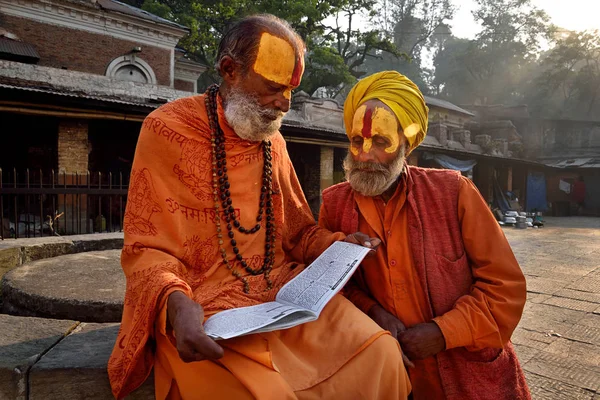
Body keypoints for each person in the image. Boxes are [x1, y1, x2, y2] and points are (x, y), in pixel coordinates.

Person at [108, 16, 411, 400]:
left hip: (282, 296)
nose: (284, 103)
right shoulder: (166, 130)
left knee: (380, 353)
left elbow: (298, 232)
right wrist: (175, 303)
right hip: (203, 309)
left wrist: (338, 247)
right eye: (273, 87)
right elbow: (145, 248)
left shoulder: (274, 142)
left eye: (289, 91)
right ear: (229, 70)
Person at [318, 71, 531, 399]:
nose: (364, 155)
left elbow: (505, 290)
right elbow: (329, 288)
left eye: (380, 141)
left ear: (406, 141)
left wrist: (442, 332)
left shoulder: (454, 193)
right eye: (357, 141)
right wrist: (372, 313)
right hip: (383, 372)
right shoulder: (334, 203)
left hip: (467, 374)